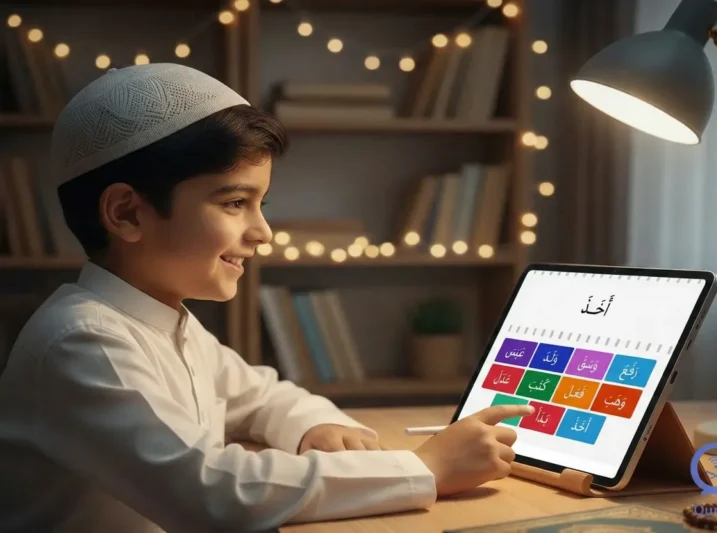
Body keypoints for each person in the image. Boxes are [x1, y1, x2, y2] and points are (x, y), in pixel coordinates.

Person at [0, 63, 533, 533]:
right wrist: (427, 469)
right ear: (127, 214)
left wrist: (312, 427)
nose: (264, 232)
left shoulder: (159, 319)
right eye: (235, 202)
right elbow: (210, 493)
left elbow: (260, 395)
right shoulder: (83, 342)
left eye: (261, 204)